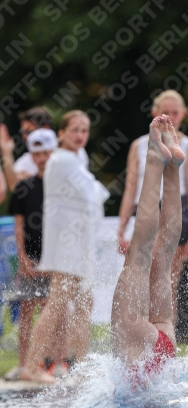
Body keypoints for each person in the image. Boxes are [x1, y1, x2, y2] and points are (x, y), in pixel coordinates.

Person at [23, 110, 109, 382]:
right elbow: (92, 193)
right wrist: (95, 190)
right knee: (58, 302)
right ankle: (32, 367)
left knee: (84, 302)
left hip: (79, 240)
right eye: (75, 129)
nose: (80, 135)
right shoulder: (61, 160)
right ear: (61, 133)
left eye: (84, 130)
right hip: (66, 243)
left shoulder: (76, 158)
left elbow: (91, 195)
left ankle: (82, 368)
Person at [117, 90, 188, 323]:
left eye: (176, 113)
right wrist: (121, 227)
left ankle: (165, 336)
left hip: (176, 208)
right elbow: (130, 188)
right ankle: (142, 333)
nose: (171, 117)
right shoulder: (137, 146)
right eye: (167, 112)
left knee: (166, 279)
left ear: (183, 114)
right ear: (155, 113)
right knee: (139, 275)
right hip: (146, 207)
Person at [111, 115, 184, 370]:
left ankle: (169, 166)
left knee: (162, 256)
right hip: (146, 346)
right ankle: (162, 164)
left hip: (166, 340)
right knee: (141, 256)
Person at [4, 129, 69, 381]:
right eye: (37, 153)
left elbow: (65, 228)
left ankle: (58, 362)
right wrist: (23, 259)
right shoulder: (23, 188)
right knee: (27, 311)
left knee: (57, 312)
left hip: (54, 261)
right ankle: (25, 364)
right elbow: (19, 226)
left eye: (46, 152)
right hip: (30, 261)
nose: (41, 158)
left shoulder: (62, 188)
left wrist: (55, 261)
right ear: (32, 155)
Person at [0, 107, 89, 191]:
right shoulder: (27, 160)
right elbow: (15, 187)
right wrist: (6, 153)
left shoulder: (77, 153)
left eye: (29, 131)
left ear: (46, 128)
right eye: (23, 132)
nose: (24, 137)